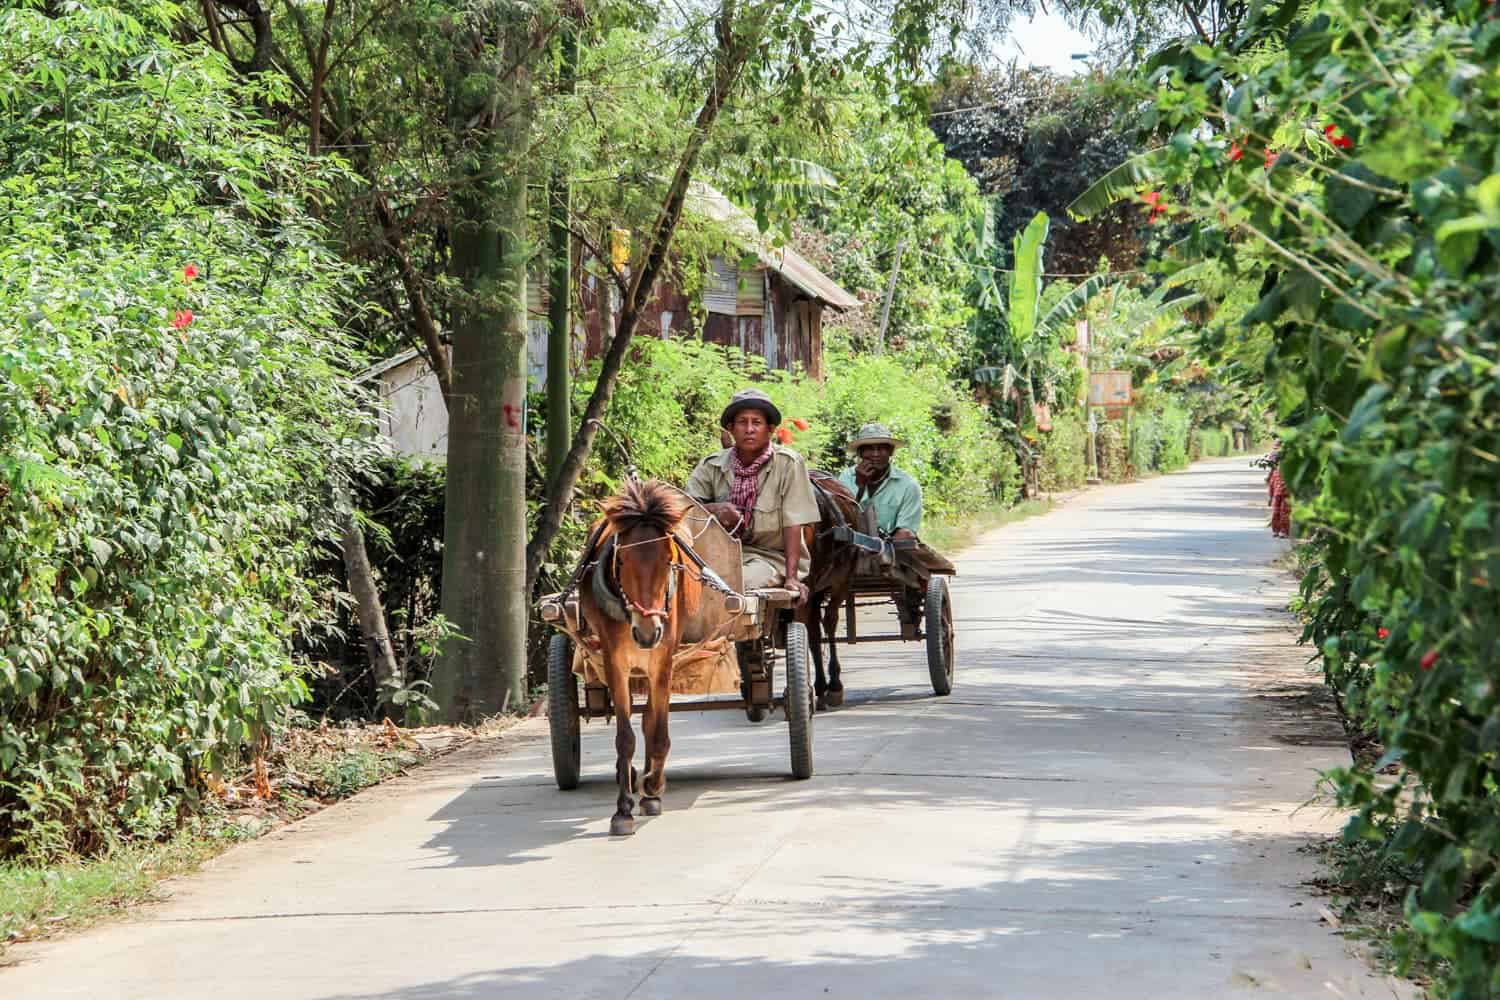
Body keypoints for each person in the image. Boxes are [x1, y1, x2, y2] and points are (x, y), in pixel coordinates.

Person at [687, 388, 819, 604]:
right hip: (717, 554)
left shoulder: (788, 464)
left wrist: (792, 577)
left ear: (770, 429)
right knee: (682, 580)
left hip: (769, 558)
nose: (749, 429)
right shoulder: (712, 465)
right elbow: (687, 509)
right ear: (731, 428)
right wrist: (716, 509)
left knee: (732, 583)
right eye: (742, 422)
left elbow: (793, 523)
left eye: (756, 422)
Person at [837, 422, 923, 540]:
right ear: (860, 453)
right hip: (850, 546)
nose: (876, 454)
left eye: (882, 448)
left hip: (891, 548)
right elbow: (843, 518)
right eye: (869, 449)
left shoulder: (908, 485)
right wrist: (860, 486)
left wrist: (881, 552)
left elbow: (906, 530)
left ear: (891, 451)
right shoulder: (846, 477)